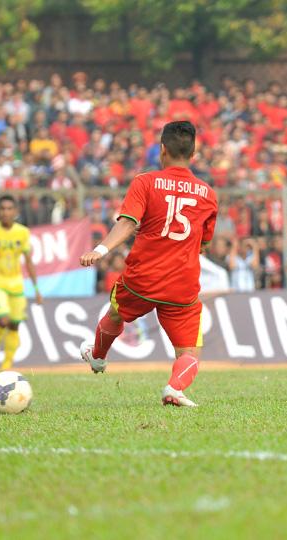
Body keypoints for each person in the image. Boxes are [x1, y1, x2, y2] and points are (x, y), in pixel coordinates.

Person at [79, 121, 218, 407]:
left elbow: (129, 222)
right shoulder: (208, 194)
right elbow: (204, 242)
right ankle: (174, 388)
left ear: (162, 149)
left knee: (116, 314)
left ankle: (98, 356)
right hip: (182, 286)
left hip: (142, 280)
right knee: (189, 352)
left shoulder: (146, 181)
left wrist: (101, 248)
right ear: (193, 154)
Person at [0, 194, 42, 374]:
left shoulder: (23, 232)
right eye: (2, 209)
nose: (6, 212)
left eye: (9, 209)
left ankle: (6, 365)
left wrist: (36, 289)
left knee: (14, 324)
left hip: (16, 285)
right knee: (3, 320)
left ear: (15, 211)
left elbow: (28, 261)